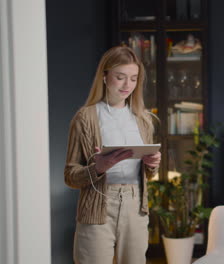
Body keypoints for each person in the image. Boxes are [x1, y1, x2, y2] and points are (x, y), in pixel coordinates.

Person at [64, 46, 161, 264]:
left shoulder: (143, 119)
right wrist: (98, 167)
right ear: (105, 76)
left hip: (135, 206)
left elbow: (149, 174)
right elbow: (70, 175)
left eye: (134, 79)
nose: (128, 85)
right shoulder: (85, 118)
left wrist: (152, 164)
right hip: (98, 206)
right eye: (120, 77)